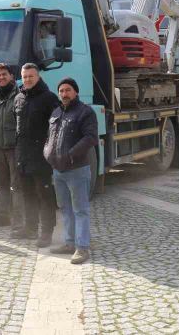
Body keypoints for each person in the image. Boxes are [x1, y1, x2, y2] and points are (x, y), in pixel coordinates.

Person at [44, 78, 99, 265]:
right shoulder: (56, 112)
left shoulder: (85, 112)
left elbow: (91, 138)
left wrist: (70, 154)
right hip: (58, 170)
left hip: (77, 169)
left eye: (67, 90)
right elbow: (49, 137)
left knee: (80, 210)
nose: (64, 94)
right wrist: (47, 153)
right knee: (65, 208)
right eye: (61, 91)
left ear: (75, 92)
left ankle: (82, 248)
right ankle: (69, 242)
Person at [13, 63, 60, 247]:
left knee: (45, 196)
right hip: (23, 157)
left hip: (41, 157)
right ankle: (30, 228)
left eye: (31, 76)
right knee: (28, 195)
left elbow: (56, 129)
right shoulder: (18, 98)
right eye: (24, 77)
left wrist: (51, 152)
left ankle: (46, 233)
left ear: (38, 77)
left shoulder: (49, 98)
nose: (27, 80)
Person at [0, 63, 22, 229]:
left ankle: (18, 219)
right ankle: (3, 216)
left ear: (11, 76)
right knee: (2, 183)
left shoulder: (19, 95)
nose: (1, 77)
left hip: (14, 147)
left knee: (17, 184)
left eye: (4, 74)